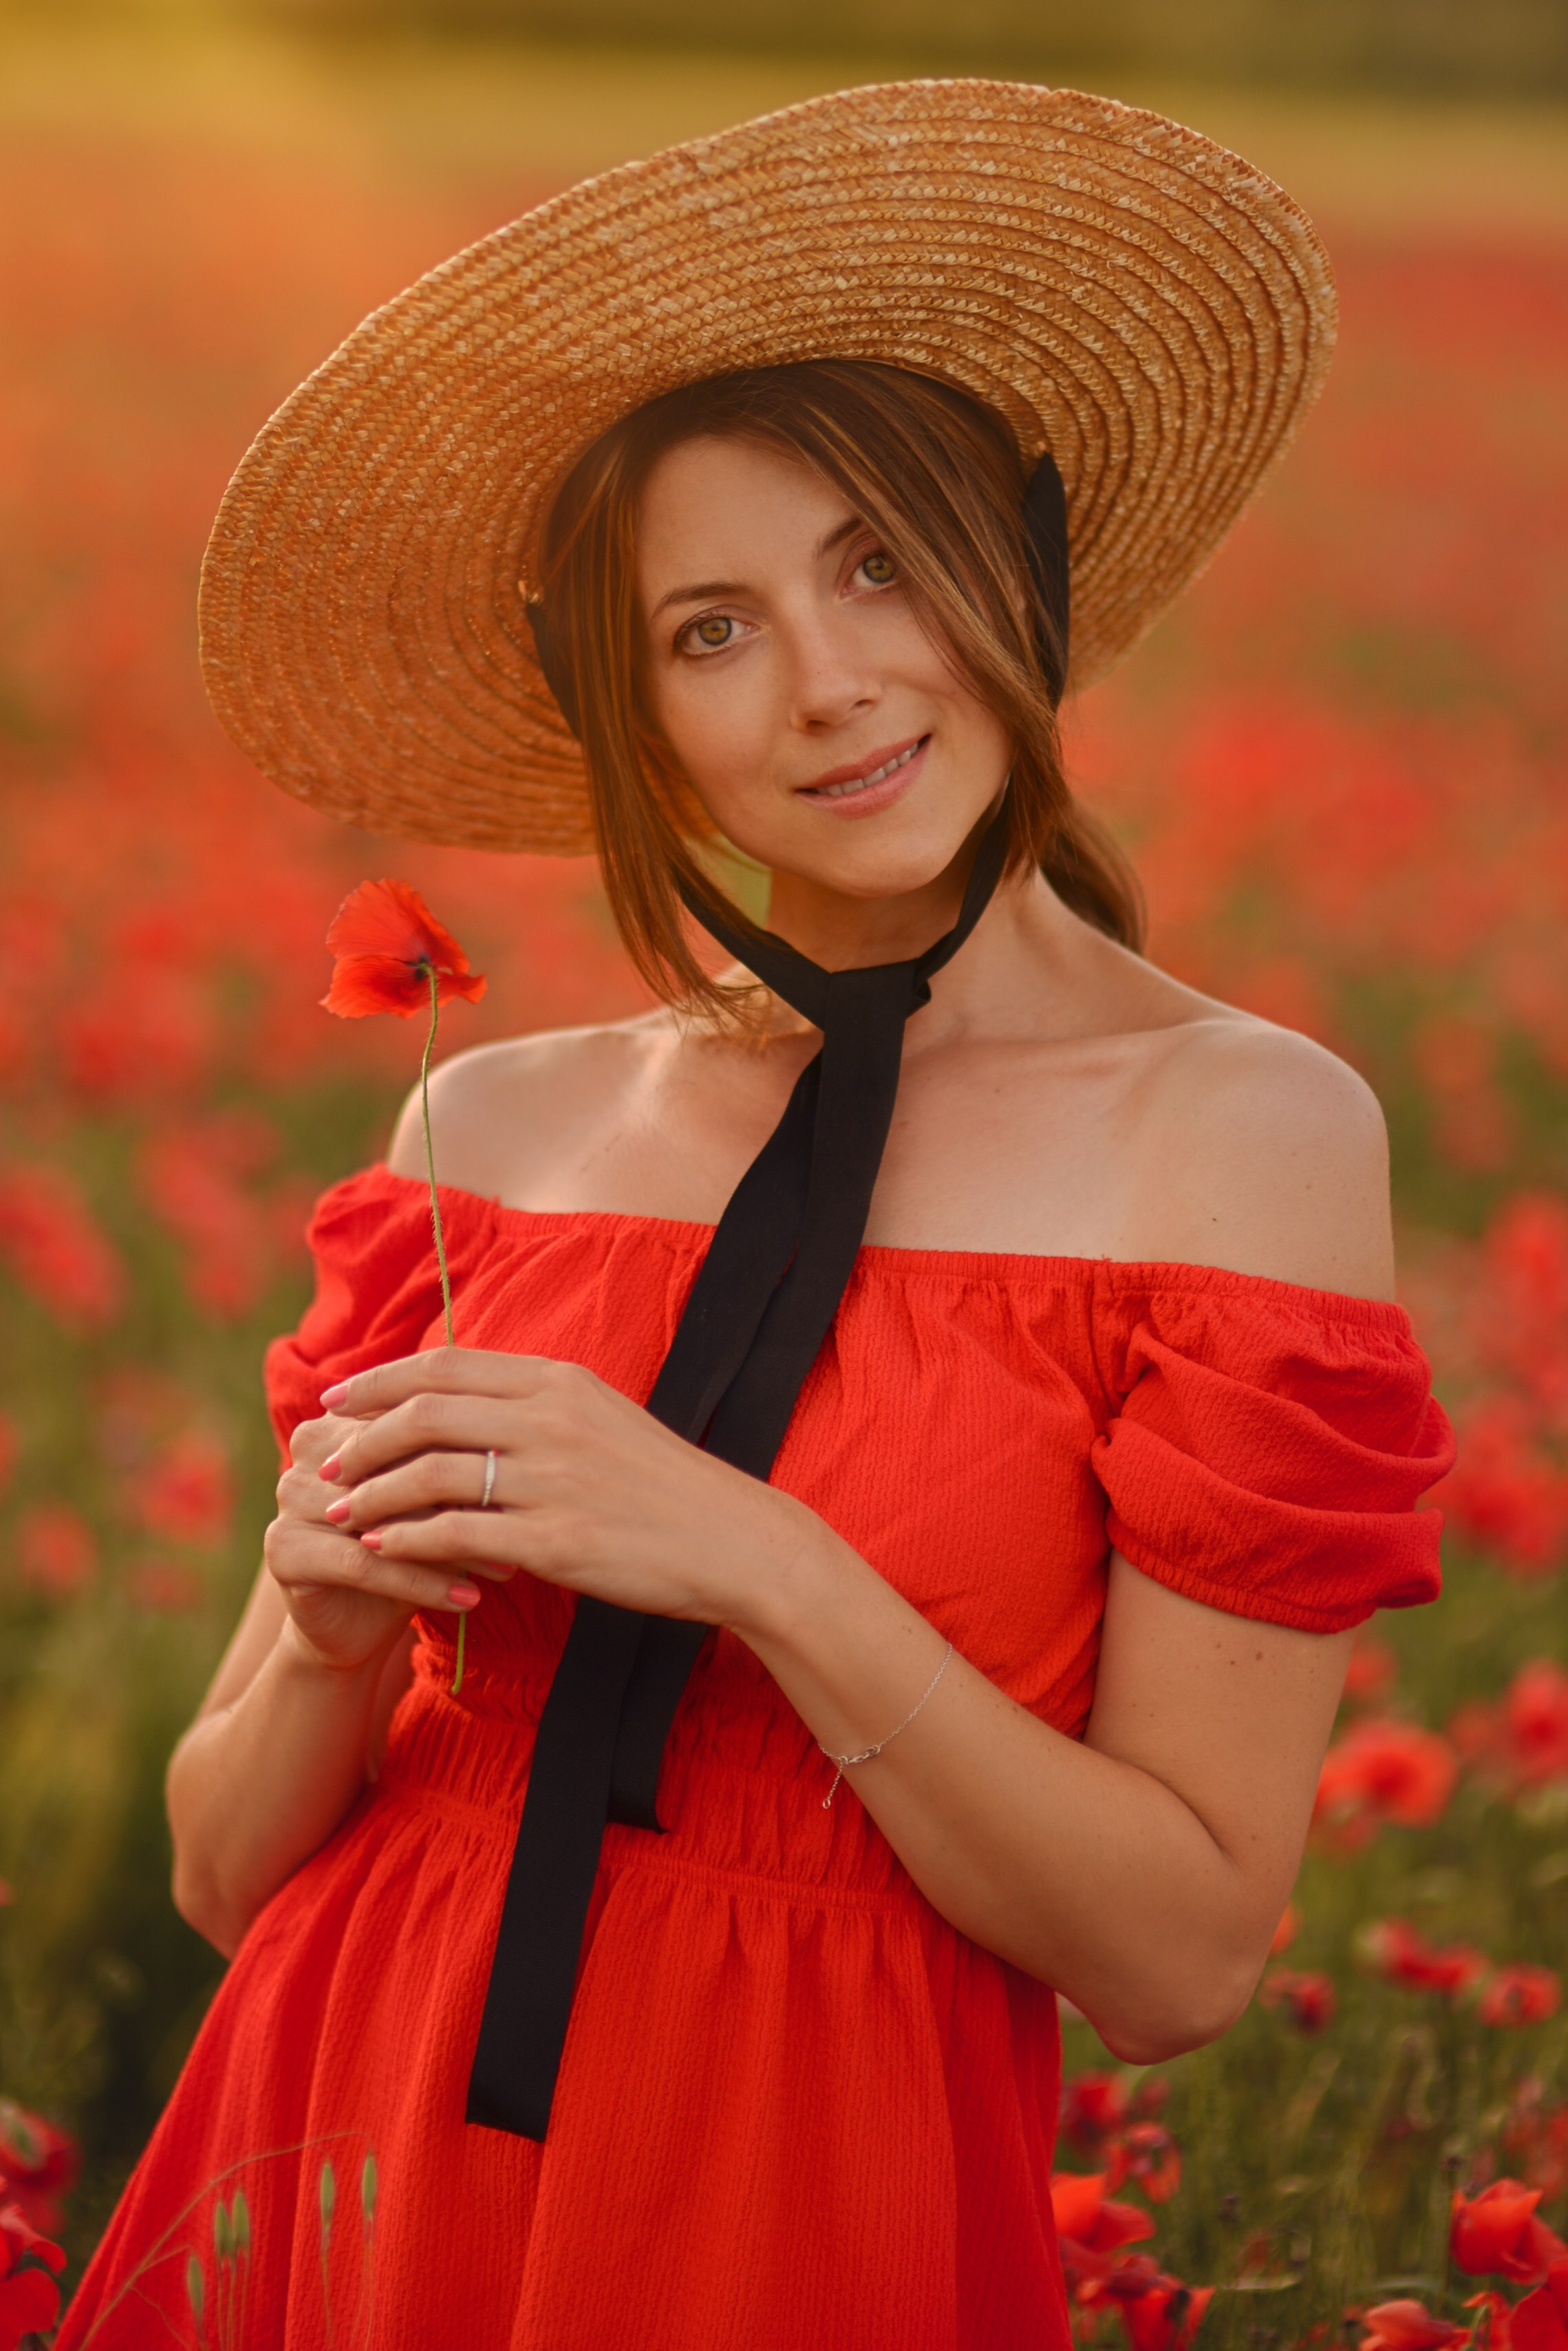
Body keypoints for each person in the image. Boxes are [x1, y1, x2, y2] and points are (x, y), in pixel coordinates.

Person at [58, 79, 1454, 2351]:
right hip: (341, 2133)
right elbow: (230, 1875)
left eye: (879, 560)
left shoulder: (1243, 1131)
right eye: (709, 630)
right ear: (636, 717)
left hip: (802, 2203)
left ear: (1020, 560)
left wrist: (759, 1559)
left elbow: (1183, 1955)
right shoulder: (484, 1127)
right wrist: (319, 1631)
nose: (830, 684)